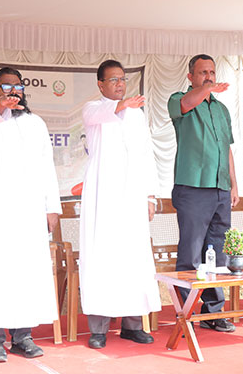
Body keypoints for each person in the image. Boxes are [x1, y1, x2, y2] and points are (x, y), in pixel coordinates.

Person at [0, 67, 62, 363]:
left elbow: (46, 166)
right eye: (6, 86)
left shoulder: (35, 123)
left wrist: (51, 207)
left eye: (18, 86)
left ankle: (22, 337)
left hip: (28, 210)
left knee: (24, 271)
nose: (14, 91)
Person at [79, 59, 161, 349]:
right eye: (113, 80)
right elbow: (101, 114)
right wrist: (122, 105)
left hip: (133, 197)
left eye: (123, 79)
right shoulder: (93, 108)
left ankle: (132, 325)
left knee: (133, 257)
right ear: (100, 84)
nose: (120, 84)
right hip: (103, 197)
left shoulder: (136, 114)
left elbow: (146, 155)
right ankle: (99, 329)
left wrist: (150, 196)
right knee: (102, 258)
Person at [168, 54, 238, 332]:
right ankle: (184, 312)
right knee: (191, 253)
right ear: (191, 77)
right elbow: (187, 103)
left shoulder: (221, 109)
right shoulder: (179, 99)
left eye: (212, 72)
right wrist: (207, 90)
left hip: (220, 187)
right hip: (193, 187)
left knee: (218, 253)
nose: (209, 76)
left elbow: (227, 148)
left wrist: (233, 184)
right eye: (203, 73)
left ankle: (213, 312)